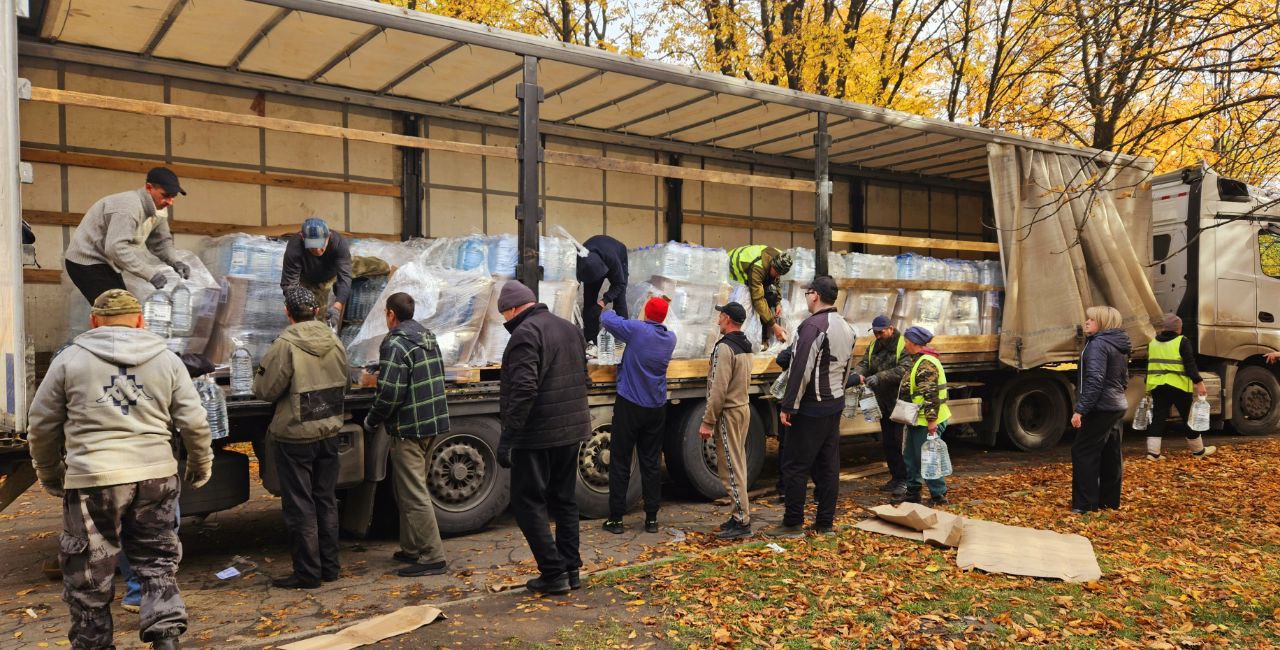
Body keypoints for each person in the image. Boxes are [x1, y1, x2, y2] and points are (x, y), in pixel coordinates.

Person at [27, 289, 212, 650]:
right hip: (156, 476)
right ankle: (167, 641)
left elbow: (41, 425)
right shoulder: (167, 359)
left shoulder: (69, 361)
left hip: (94, 480)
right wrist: (200, 465)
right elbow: (195, 422)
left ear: (94, 321)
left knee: (88, 575)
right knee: (157, 562)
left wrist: (49, 474)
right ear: (140, 320)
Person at [495, 281, 591, 595]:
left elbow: (524, 390)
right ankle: (571, 570)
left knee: (527, 502)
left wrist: (509, 436)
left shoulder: (525, 334)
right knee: (564, 500)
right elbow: (583, 376)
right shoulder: (569, 328)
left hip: (537, 433)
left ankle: (553, 573)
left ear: (510, 309)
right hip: (571, 429)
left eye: (504, 314)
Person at [254, 287, 349, 588]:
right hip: (329, 431)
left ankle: (307, 573)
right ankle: (330, 568)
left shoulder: (285, 345)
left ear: (287, 312)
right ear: (318, 311)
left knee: (300, 505)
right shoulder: (335, 340)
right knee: (326, 500)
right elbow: (345, 380)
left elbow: (265, 390)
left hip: (295, 435)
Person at [362, 292, 451, 577]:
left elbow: (389, 394)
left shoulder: (395, 343)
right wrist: (384, 368)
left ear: (390, 315)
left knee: (413, 494)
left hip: (408, 428)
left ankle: (433, 557)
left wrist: (372, 420)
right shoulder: (427, 337)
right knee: (410, 489)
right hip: (432, 423)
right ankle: (412, 548)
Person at [769, 276, 854, 538]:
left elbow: (800, 370)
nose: (806, 297)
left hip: (810, 407)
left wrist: (788, 406)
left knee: (795, 465)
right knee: (828, 466)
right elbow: (848, 367)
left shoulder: (812, 326)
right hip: (834, 403)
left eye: (808, 293)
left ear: (815, 295)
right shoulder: (847, 327)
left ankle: (793, 522)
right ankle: (825, 523)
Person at [600, 296, 676, 535]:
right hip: (656, 407)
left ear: (647, 312)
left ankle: (616, 519)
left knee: (620, 461)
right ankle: (651, 518)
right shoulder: (670, 338)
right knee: (651, 462)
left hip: (630, 404)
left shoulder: (637, 330)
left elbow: (607, 320)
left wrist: (606, 305)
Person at [63, 168, 190, 304]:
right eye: (165, 195)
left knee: (123, 309)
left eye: (173, 197)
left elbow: (161, 242)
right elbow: (115, 248)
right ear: (149, 188)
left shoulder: (159, 210)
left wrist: (175, 261)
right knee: (117, 311)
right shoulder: (128, 207)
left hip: (107, 262)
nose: (170, 202)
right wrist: (150, 274)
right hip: (86, 261)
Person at [698, 302, 755, 540]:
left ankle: (742, 521)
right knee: (737, 463)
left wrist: (708, 421)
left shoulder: (724, 348)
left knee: (730, 467)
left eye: (721, 316)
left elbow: (718, 389)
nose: (718, 319)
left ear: (728, 319)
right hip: (742, 407)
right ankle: (738, 515)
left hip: (729, 412)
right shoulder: (745, 344)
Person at [1070, 306, 1130, 514]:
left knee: (1083, 451)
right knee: (1110, 453)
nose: (1086, 322)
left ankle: (1084, 504)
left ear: (1103, 323)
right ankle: (1109, 501)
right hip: (1116, 405)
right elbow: (1123, 378)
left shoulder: (1097, 345)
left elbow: (1094, 381)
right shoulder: (1118, 343)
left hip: (1101, 406)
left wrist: (1080, 410)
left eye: (1092, 320)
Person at [847, 315, 912, 493]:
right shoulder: (875, 344)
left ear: (891, 328)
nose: (877, 335)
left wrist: (879, 377)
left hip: (899, 403)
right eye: (875, 332)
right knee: (888, 443)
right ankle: (895, 477)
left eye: (880, 332)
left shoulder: (903, 345)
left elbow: (905, 370)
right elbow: (865, 363)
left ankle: (905, 481)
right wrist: (857, 374)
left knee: (900, 444)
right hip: (882, 404)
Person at [891, 326, 952, 506]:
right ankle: (913, 491)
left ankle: (938, 495)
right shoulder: (918, 360)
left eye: (906, 341)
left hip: (928, 420)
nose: (904, 344)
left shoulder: (926, 363)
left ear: (914, 343)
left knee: (927, 458)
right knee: (911, 456)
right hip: (919, 420)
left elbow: (930, 395)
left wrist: (932, 422)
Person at [1145, 313, 1215, 460]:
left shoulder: (1153, 343)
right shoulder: (1182, 341)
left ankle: (1153, 453)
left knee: (1158, 417)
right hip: (1178, 386)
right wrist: (1199, 383)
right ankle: (1198, 451)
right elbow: (1190, 364)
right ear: (1178, 328)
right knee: (1189, 418)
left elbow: (1151, 365)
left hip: (1158, 386)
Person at [281, 217, 352, 329]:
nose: (318, 250)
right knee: (316, 323)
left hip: (334, 269)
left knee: (378, 266)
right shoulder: (295, 247)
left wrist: (337, 307)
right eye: (312, 247)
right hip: (310, 280)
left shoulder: (339, 243)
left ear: (328, 236)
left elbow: (345, 277)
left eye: (321, 244)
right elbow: (289, 284)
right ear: (302, 237)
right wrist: (299, 310)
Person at [727, 245, 793, 345]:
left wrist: (777, 302)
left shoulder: (780, 258)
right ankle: (748, 340)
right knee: (748, 302)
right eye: (777, 272)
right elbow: (758, 299)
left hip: (755, 266)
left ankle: (764, 338)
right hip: (733, 268)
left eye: (780, 274)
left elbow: (776, 280)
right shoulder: (757, 269)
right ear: (773, 264)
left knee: (771, 293)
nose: (778, 275)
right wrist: (773, 325)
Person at [578, 235, 629, 352]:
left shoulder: (612, 259)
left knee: (620, 299)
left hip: (617, 254)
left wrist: (603, 302)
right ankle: (591, 342)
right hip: (593, 260)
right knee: (589, 302)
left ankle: (622, 342)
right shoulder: (580, 259)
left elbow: (619, 284)